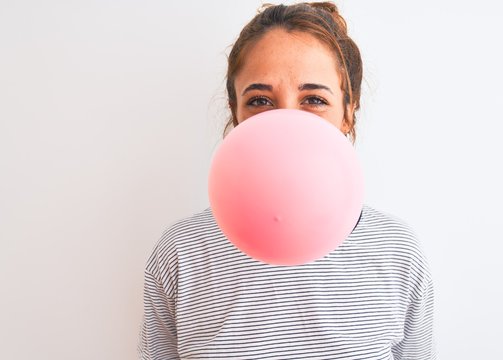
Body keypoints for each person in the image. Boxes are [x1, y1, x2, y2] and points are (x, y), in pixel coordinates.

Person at [138, 3, 435, 359]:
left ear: (348, 111)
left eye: (314, 99)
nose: (286, 123)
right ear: (235, 113)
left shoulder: (396, 252)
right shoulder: (182, 254)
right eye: (260, 100)